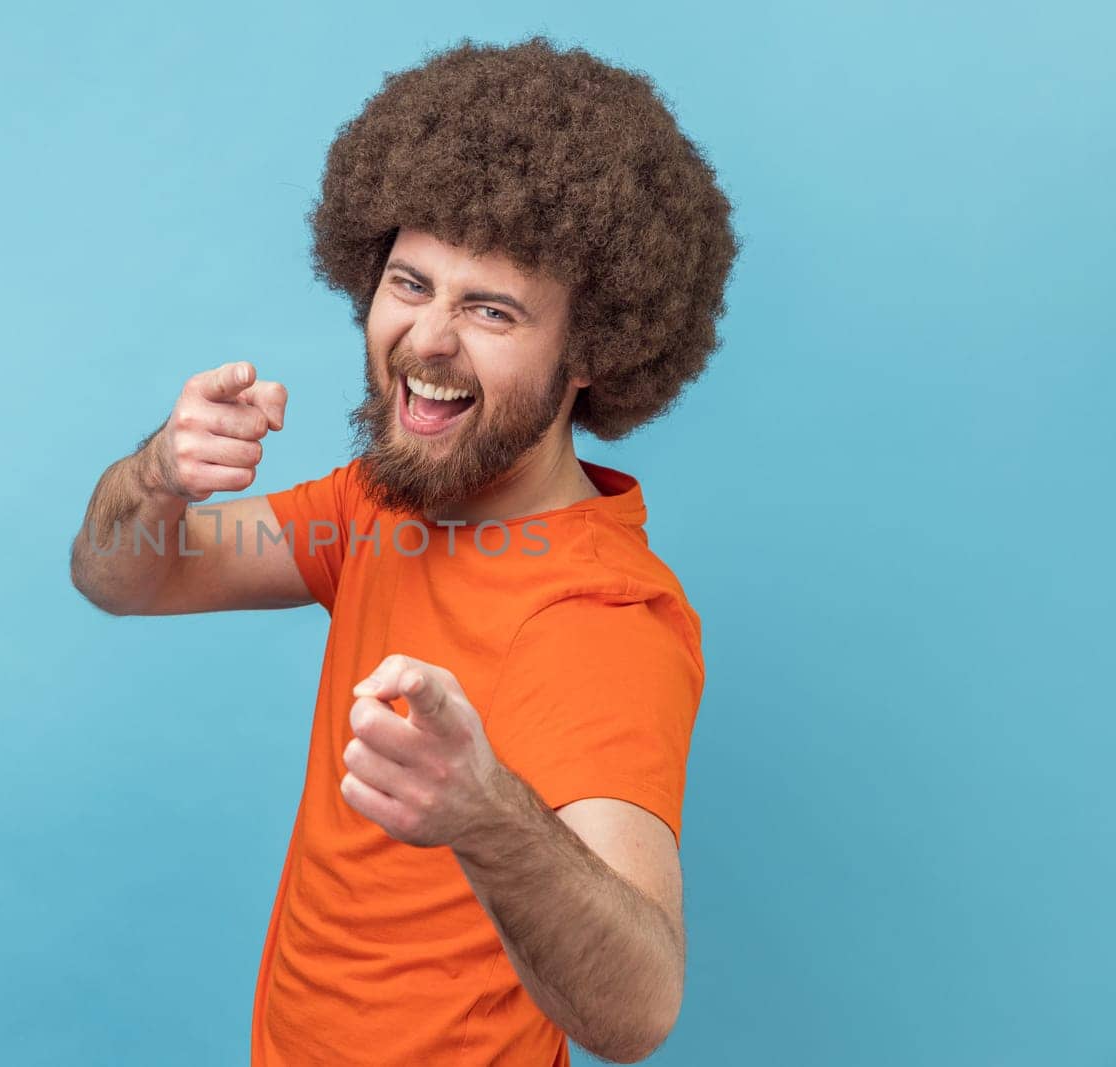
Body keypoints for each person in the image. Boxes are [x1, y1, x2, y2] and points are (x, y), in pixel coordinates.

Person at [69, 35, 738, 1066]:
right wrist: (159, 471)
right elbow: (124, 576)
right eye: (411, 283)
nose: (427, 339)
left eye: (490, 309)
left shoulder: (596, 615)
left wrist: (480, 811)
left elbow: (637, 1007)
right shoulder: (380, 506)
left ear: (591, 352)